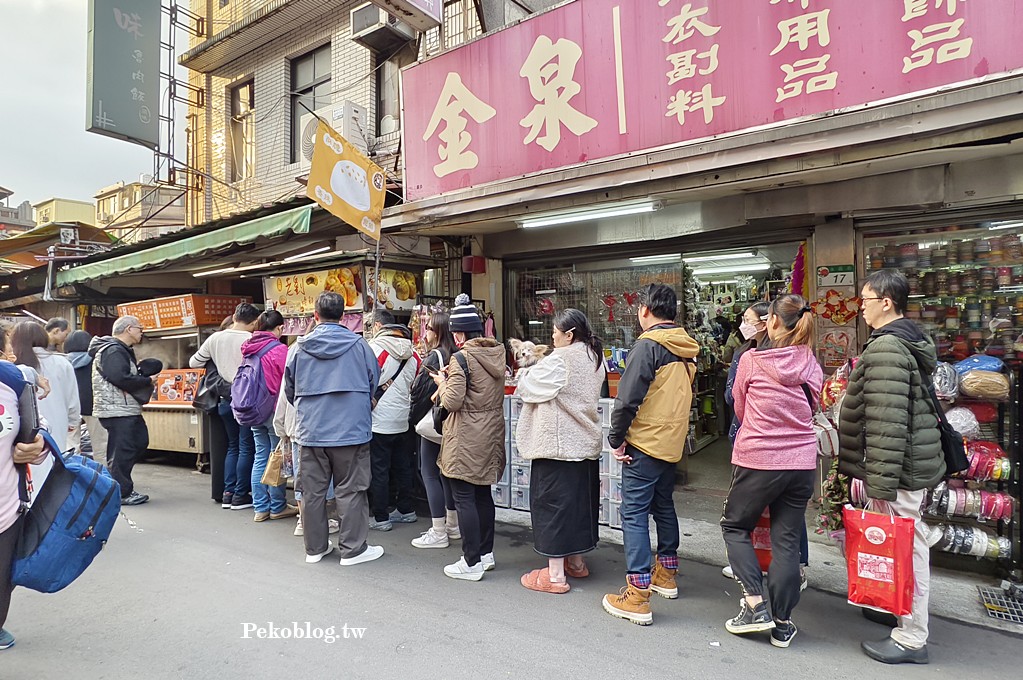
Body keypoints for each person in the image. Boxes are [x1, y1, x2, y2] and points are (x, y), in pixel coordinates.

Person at [839, 270, 944, 665]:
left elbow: (886, 423)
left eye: (865, 300)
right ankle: (894, 607)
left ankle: (912, 636)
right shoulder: (906, 340)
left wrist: (880, 484)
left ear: (886, 302)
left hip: (898, 471)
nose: (861, 307)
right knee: (905, 541)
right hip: (907, 466)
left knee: (905, 545)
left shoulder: (886, 348)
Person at [719, 294, 822, 649]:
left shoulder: (751, 360)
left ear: (773, 322)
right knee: (786, 543)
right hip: (801, 464)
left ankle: (754, 604)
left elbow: (741, 407)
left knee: (734, 526)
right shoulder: (810, 361)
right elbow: (815, 404)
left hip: (759, 459)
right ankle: (783, 624)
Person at [602, 283, 698, 625]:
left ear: (645, 310)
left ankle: (638, 594)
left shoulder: (648, 347)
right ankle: (665, 574)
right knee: (663, 505)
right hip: (671, 442)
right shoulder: (686, 347)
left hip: (645, 442)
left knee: (633, 514)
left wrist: (616, 438)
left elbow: (627, 400)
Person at [284, 292, 383, 566]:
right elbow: (372, 382)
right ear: (343, 317)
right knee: (351, 489)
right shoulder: (360, 346)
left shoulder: (298, 348)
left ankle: (315, 549)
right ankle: (353, 549)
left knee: (312, 492)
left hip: (311, 431)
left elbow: (290, 390)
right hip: (351, 430)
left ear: (315, 316)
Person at [516, 309, 605, 594]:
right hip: (584, 443)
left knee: (552, 506)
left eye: (556, 331)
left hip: (557, 445)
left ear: (570, 334)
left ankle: (555, 575)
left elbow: (528, 386)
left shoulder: (561, 359)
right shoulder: (594, 357)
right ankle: (576, 562)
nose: (552, 336)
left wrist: (525, 374)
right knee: (579, 506)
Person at [433, 294, 506, 581]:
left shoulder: (462, 357)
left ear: (460, 333)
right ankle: (486, 554)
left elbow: (451, 401)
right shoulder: (496, 353)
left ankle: (471, 561)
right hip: (490, 430)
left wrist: (443, 381)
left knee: (464, 497)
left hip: (466, 435)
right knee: (482, 493)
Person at [0, 328, 53, 650]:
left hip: (5, 506)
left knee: (3, 576)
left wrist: (38, 443)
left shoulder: (13, 380)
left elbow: (38, 427)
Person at [189, 303, 260, 510]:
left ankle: (228, 493)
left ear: (235, 316)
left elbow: (194, 362)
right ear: (255, 321)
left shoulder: (215, 338)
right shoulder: (251, 340)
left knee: (233, 446)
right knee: (247, 447)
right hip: (246, 400)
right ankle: (240, 495)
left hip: (224, 402)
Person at [408, 309, 460, 549]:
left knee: (429, 472)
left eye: (428, 328)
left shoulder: (434, 357)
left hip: (434, 423)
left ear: (438, 331)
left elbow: (420, 394)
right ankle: (452, 525)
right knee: (446, 474)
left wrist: (414, 417)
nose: (425, 332)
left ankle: (438, 530)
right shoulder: (458, 355)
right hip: (453, 422)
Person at [89, 316, 154, 506]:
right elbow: (120, 377)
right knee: (122, 450)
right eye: (139, 328)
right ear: (128, 329)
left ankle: (117, 482)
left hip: (124, 408)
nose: (141, 332)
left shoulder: (119, 349)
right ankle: (121, 492)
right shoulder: (113, 350)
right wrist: (147, 381)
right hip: (116, 408)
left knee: (139, 442)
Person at [367, 309, 420, 531]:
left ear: (378, 326)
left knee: (379, 469)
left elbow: (367, 381)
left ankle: (381, 517)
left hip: (379, 419)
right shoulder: (414, 353)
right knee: (403, 466)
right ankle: (406, 509)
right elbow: (416, 384)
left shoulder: (373, 349)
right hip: (403, 418)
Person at [242, 310, 297, 523]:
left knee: (260, 457)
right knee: (278, 458)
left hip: (254, 410)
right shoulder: (279, 350)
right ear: (280, 328)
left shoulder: (249, 348)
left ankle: (260, 508)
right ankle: (277, 506)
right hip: (273, 411)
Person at [11, 322, 80, 457]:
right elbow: (72, 398)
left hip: (22, 434)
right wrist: (73, 421)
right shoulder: (62, 363)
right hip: (58, 423)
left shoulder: (13, 367)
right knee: (53, 464)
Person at [63, 330, 108, 462]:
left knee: (71, 445)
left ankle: (75, 474)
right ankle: (101, 476)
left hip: (70, 407)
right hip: (93, 405)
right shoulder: (96, 360)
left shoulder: (63, 363)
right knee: (100, 446)